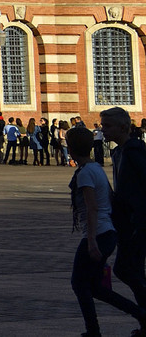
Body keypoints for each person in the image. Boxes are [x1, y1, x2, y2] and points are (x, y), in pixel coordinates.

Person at [68, 121, 146, 336]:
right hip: (107, 232)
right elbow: (109, 197)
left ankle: (94, 330)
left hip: (99, 234)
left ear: (71, 149)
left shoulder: (85, 173)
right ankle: (139, 313)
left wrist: (91, 241)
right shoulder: (95, 168)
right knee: (95, 287)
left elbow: (92, 208)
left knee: (79, 284)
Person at [102, 107, 146, 313]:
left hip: (136, 222)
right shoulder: (119, 151)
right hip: (126, 221)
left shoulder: (134, 151)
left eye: (107, 126)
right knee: (130, 270)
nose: (104, 130)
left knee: (127, 269)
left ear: (123, 127)